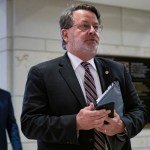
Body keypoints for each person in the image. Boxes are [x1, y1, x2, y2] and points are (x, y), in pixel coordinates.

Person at [20, 3, 148, 150]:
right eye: (85, 26)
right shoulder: (42, 73)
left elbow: (139, 111)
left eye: (96, 26)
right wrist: (76, 123)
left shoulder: (117, 69)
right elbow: (30, 124)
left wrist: (122, 125)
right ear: (65, 34)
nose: (93, 31)